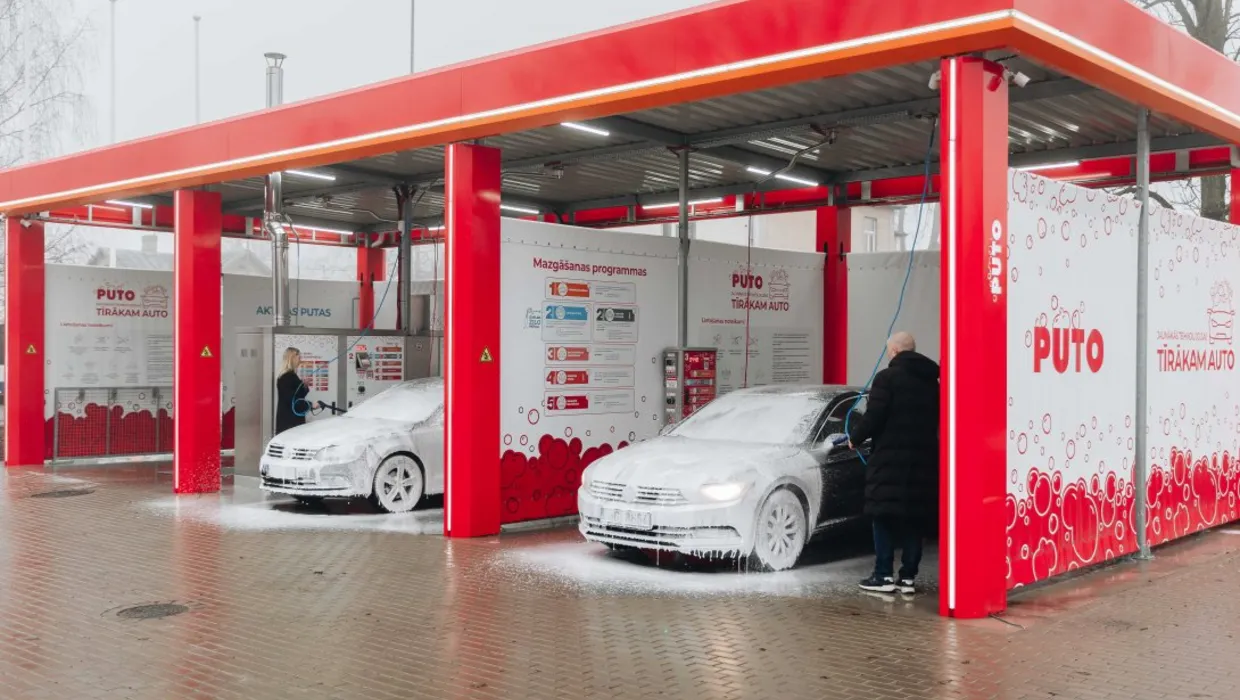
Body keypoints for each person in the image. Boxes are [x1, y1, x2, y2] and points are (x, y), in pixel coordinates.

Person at [847, 331, 940, 595]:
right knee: (915, 518)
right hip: (923, 459)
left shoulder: (887, 378)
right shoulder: (932, 381)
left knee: (882, 515)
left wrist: (855, 437)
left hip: (889, 460)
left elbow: (874, 415)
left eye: (889, 351)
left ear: (895, 352)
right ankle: (908, 578)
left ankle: (883, 575)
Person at [275, 347, 310, 435]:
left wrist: (304, 386)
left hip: (289, 421)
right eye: (299, 357)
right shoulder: (288, 377)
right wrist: (311, 405)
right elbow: (293, 401)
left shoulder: (289, 376)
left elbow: (297, 395)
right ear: (292, 358)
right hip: (290, 423)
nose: (300, 360)